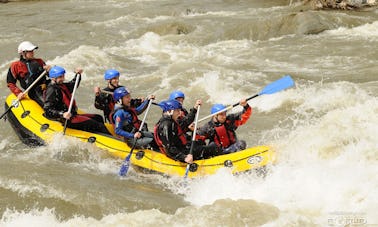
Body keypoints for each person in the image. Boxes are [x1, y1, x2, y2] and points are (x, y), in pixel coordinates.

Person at [43, 66, 111, 135]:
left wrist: (78, 75)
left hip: (73, 115)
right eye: (60, 77)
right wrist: (62, 114)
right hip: (67, 119)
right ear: (53, 78)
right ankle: (111, 140)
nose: (63, 79)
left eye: (63, 76)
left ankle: (100, 135)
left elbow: (73, 85)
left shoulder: (61, 85)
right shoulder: (51, 90)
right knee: (98, 125)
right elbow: (47, 109)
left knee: (98, 118)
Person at [154, 99, 218, 163]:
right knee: (212, 148)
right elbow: (169, 147)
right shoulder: (166, 125)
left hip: (182, 148)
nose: (179, 113)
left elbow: (186, 122)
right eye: (177, 111)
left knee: (200, 142)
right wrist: (184, 157)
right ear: (170, 111)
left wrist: (195, 108)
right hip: (179, 153)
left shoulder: (171, 121)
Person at [6, 41, 51, 106]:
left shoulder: (39, 61)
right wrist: (18, 93)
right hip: (33, 91)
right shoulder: (15, 66)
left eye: (32, 50)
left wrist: (50, 71)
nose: (32, 52)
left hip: (45, 86)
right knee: (48, 104)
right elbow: (10, 83)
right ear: (23, 53)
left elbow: (50, 76)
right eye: (30, 51)